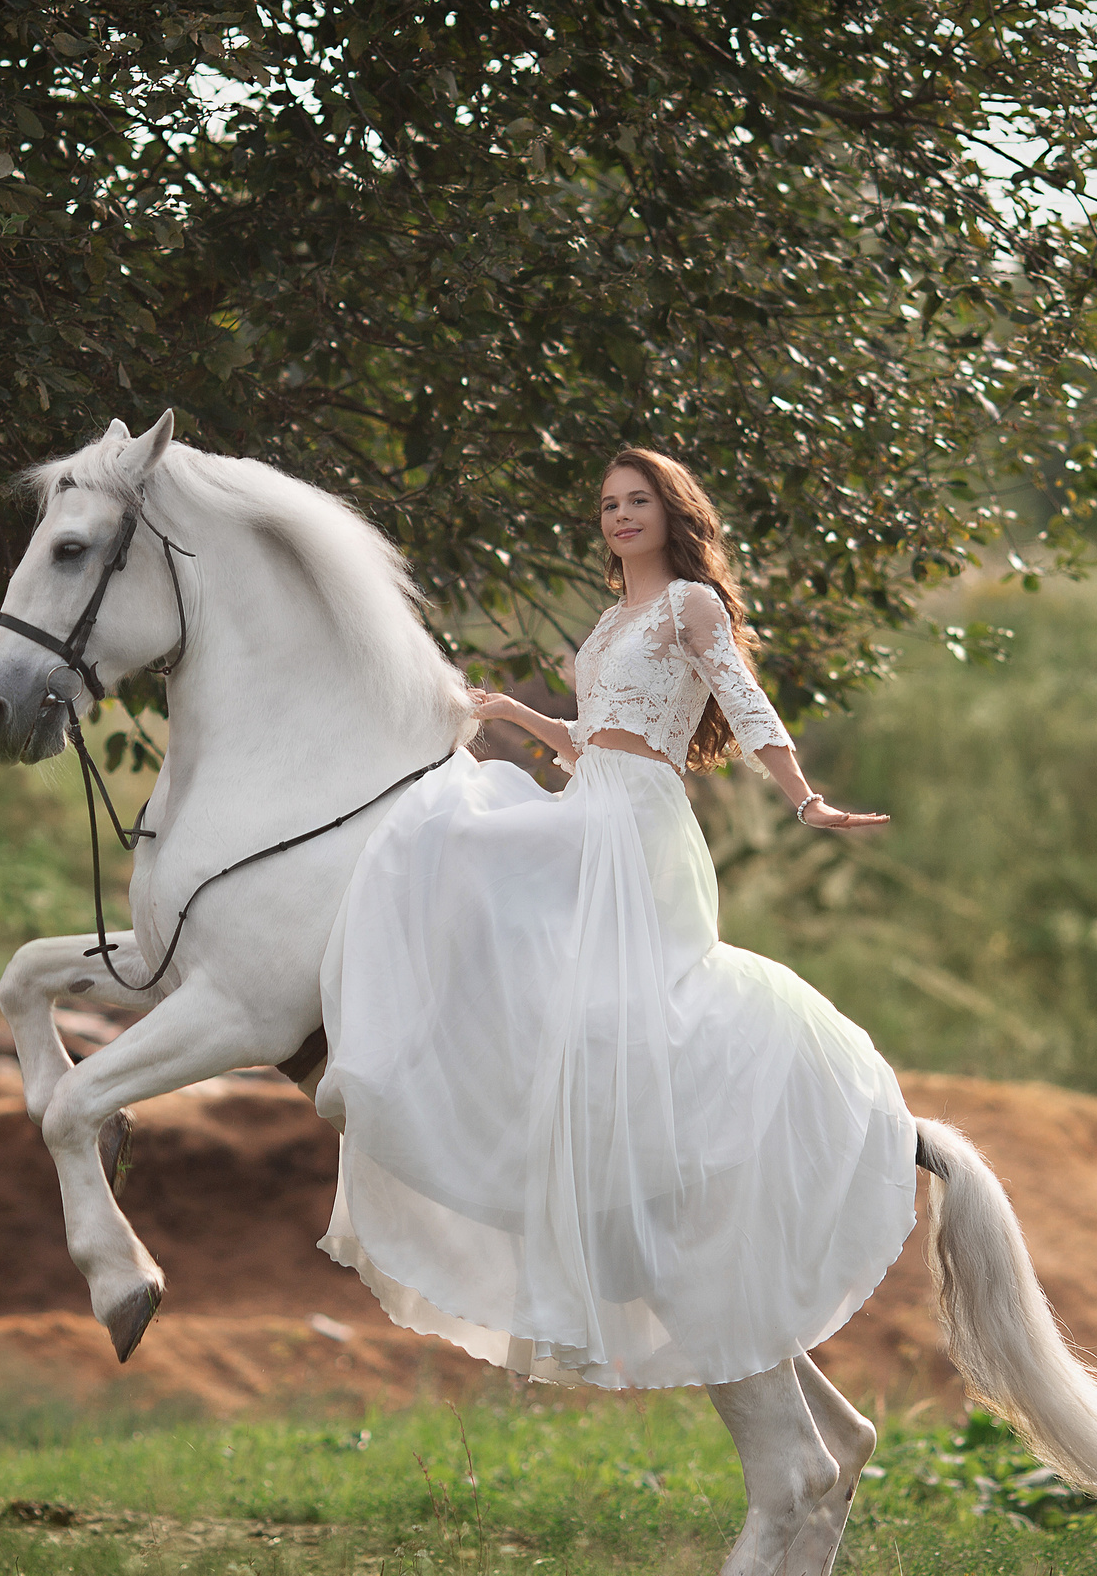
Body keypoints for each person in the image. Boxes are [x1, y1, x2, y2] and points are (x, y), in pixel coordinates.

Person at [314, 447, 920, 1390]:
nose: (621, 516)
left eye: (639, 501)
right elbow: (588, 738)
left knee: (454, 827)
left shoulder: (690, 606)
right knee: (461, 835)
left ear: (674, 513)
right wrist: (513, 713)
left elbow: (744, 703)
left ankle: (397, 1068)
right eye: (609, 504)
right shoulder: (608, 624)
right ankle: (411, 1062)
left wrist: (804, 800)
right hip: (591, 796)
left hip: (637, 819)